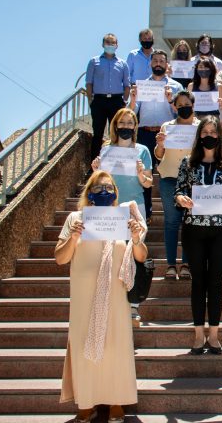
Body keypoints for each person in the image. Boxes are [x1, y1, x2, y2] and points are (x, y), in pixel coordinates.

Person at [55, 170, 147, 423]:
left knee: (116, 348)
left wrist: (137, 237)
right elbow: (60, 258)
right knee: (85, 345)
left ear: (116, 193)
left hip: (116, 294)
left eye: (109, 188)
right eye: (98, 188)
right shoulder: (76, 218)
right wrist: (73, 236)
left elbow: (140, 256)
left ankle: (116, 401)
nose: (104, 192)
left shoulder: (123, 219)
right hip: (84, 296)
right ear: (89, 193)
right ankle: (86, 401)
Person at [174, 116, 222, 355]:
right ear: (199, 135)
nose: (210, 136)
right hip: (194, 229)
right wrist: (181, 198)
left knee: (215, 282)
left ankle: (213, 335)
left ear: (220, 137)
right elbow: (179, 190)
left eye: (214, 132)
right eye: (205, 131)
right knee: (198, 282)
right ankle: (197, 334)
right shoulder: (187, 162)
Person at [91, 108, 153, 327]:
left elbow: (148, 183)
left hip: (134, 208)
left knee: (133, 254)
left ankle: (133, 305)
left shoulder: (142, 150)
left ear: (135, 127)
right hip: (109, 209)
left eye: (130, 123)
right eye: (122, 123)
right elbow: (98, 183)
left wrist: (140, 174)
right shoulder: (106, 150)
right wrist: (96, 171)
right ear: (115, 125)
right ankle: (111, 303)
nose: (126, 126)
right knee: (109, 256)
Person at [129, 50, 184, 221]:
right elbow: (131, 113)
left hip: (167, 135)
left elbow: (182, 115)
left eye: (162, 61)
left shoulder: (176, 87)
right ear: (150, 64)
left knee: (171, 173)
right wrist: (132, 98)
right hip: (145, 134)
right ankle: (146, 213)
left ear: (167, 65)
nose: (158, 63)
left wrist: (170, 100)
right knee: (143, 174)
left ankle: (174, 210)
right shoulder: (141, 86)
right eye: (155, 61)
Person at [155, 90, 200, 281]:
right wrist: (160, 144)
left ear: (193, 105)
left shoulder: (201, 127)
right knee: (172, 223)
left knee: (190, 223)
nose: (183, 107)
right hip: (169, 178)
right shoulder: (167, 126)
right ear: (174, 107)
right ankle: (171, 264)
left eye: (186, 104)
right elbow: (158, 155)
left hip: (193, 180)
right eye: (179, 105)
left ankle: (186, 264)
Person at [85, 33, 131, 160]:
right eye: (108, 43)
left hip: (116, 101)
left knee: (116, 132)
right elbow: (89, 82)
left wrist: (124, 101)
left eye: (113, 43)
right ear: (103, 44)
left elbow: (127, 85)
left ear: (117, 45)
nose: (110, 45)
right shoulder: (94, 62)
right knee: (98, 133)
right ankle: (94, 162)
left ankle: (116, 161)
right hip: (99, 100)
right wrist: (91, 100)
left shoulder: (123, 64)